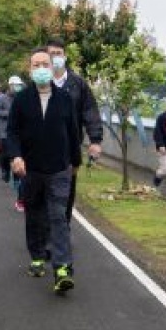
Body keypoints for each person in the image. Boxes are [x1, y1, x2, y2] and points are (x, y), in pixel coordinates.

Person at [6, 47, 81, 295]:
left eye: (44, 64)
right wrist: (15, 156)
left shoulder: (65, 99)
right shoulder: (22, 100)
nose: (40, 69)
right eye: (35, 65)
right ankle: (37, 256)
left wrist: (75, 163)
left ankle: (62, 269)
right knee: (35, 215)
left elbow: (73, 133)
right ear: (30, 70)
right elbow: (12, 132)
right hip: (31, 168)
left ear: (52, 67)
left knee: (59, 217)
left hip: (59, 168)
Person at [45, 38, 104, 222]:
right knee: (43, 191)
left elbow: (90, 111)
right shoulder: (40, 83)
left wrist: (95, 141)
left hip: (69, 148)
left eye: (58, 54)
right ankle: (45, 234)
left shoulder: (78, 84)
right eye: (51, 54)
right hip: (42, 147)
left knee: (67, 190)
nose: (55, 58)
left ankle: (63, 228)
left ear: (65, 56)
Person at [0, 75, 26, 211]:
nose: (17, 87)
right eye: (15, 85)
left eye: (18, 85)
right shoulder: (2, 98)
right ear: (9, 85)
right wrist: (9, 113)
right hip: (4, 133)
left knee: (17, 156)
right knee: (5, 156)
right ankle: (5, 171)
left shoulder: (23, 97)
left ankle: (16, 180)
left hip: (20, 135)